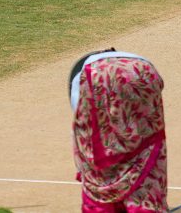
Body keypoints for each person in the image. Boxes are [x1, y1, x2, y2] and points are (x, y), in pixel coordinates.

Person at [69, 48, 167, 213]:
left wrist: (83, 171)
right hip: (144, 70)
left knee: (96, 143)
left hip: (97, 74)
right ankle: (142, 201)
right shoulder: (135, 59)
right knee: (146, 140)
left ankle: (108, 202)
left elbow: (81, 132)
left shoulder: (80, 79)